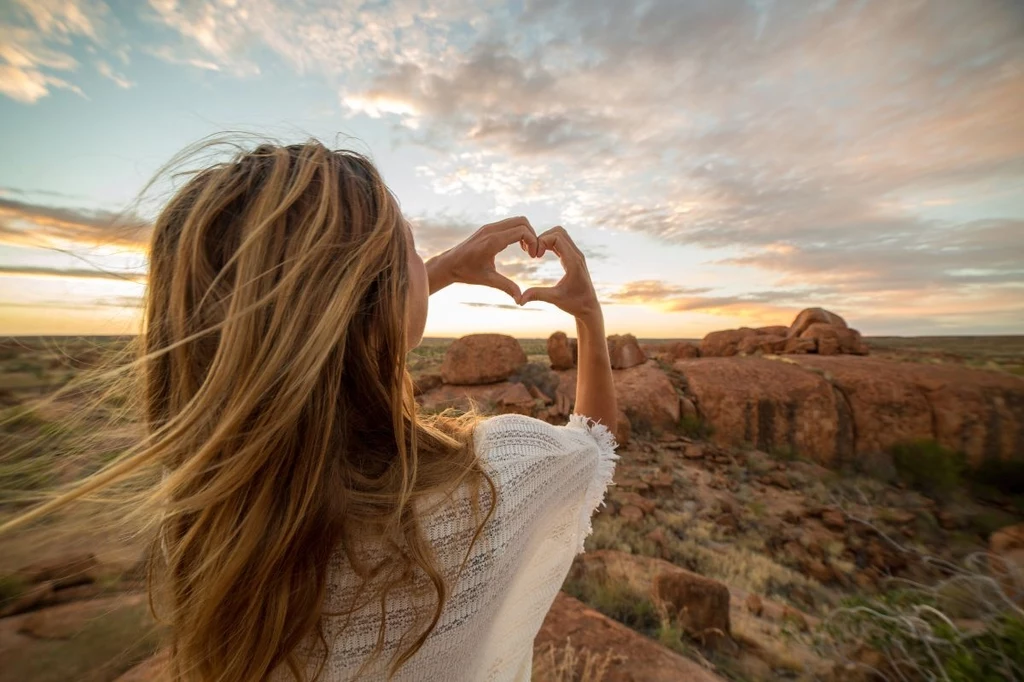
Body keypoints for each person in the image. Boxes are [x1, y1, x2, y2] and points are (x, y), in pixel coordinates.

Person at [3, 141, 618, 681]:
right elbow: (596, 444)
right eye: (407, 246)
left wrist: (430, 272)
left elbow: (306, 348)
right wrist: (588, 313)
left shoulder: (206, 486)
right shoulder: (491, 483)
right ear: (378, 297)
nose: (420, 261)